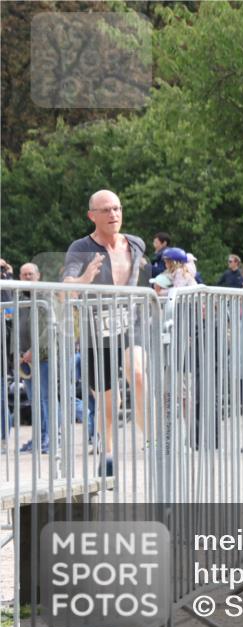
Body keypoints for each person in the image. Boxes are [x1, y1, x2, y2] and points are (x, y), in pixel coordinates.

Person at [63, 189, 148, 476]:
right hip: (97, 330)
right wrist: (84, 279)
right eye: (106, 210)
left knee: (137, 372)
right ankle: (108, 455)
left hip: (130, 323)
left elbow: (139, 271)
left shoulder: (136, 244)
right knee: (110, 401)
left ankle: (154, 440)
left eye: (117, 208)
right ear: (92, 216)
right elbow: (66, 287)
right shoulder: (80, 248)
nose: (113, 214)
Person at [15, 263, 54, 453]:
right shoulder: (20, 298)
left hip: (44, 357)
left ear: (38, 275)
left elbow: (49, 328)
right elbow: (15, 328)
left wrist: (33, 350)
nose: (27, 277)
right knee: (34, 401)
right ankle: (38, 438)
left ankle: (51, 439)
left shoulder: (46, 296)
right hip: (24, 359)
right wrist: (17, 353)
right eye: (24, 274)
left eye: (30, 274)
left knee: (47, 399)